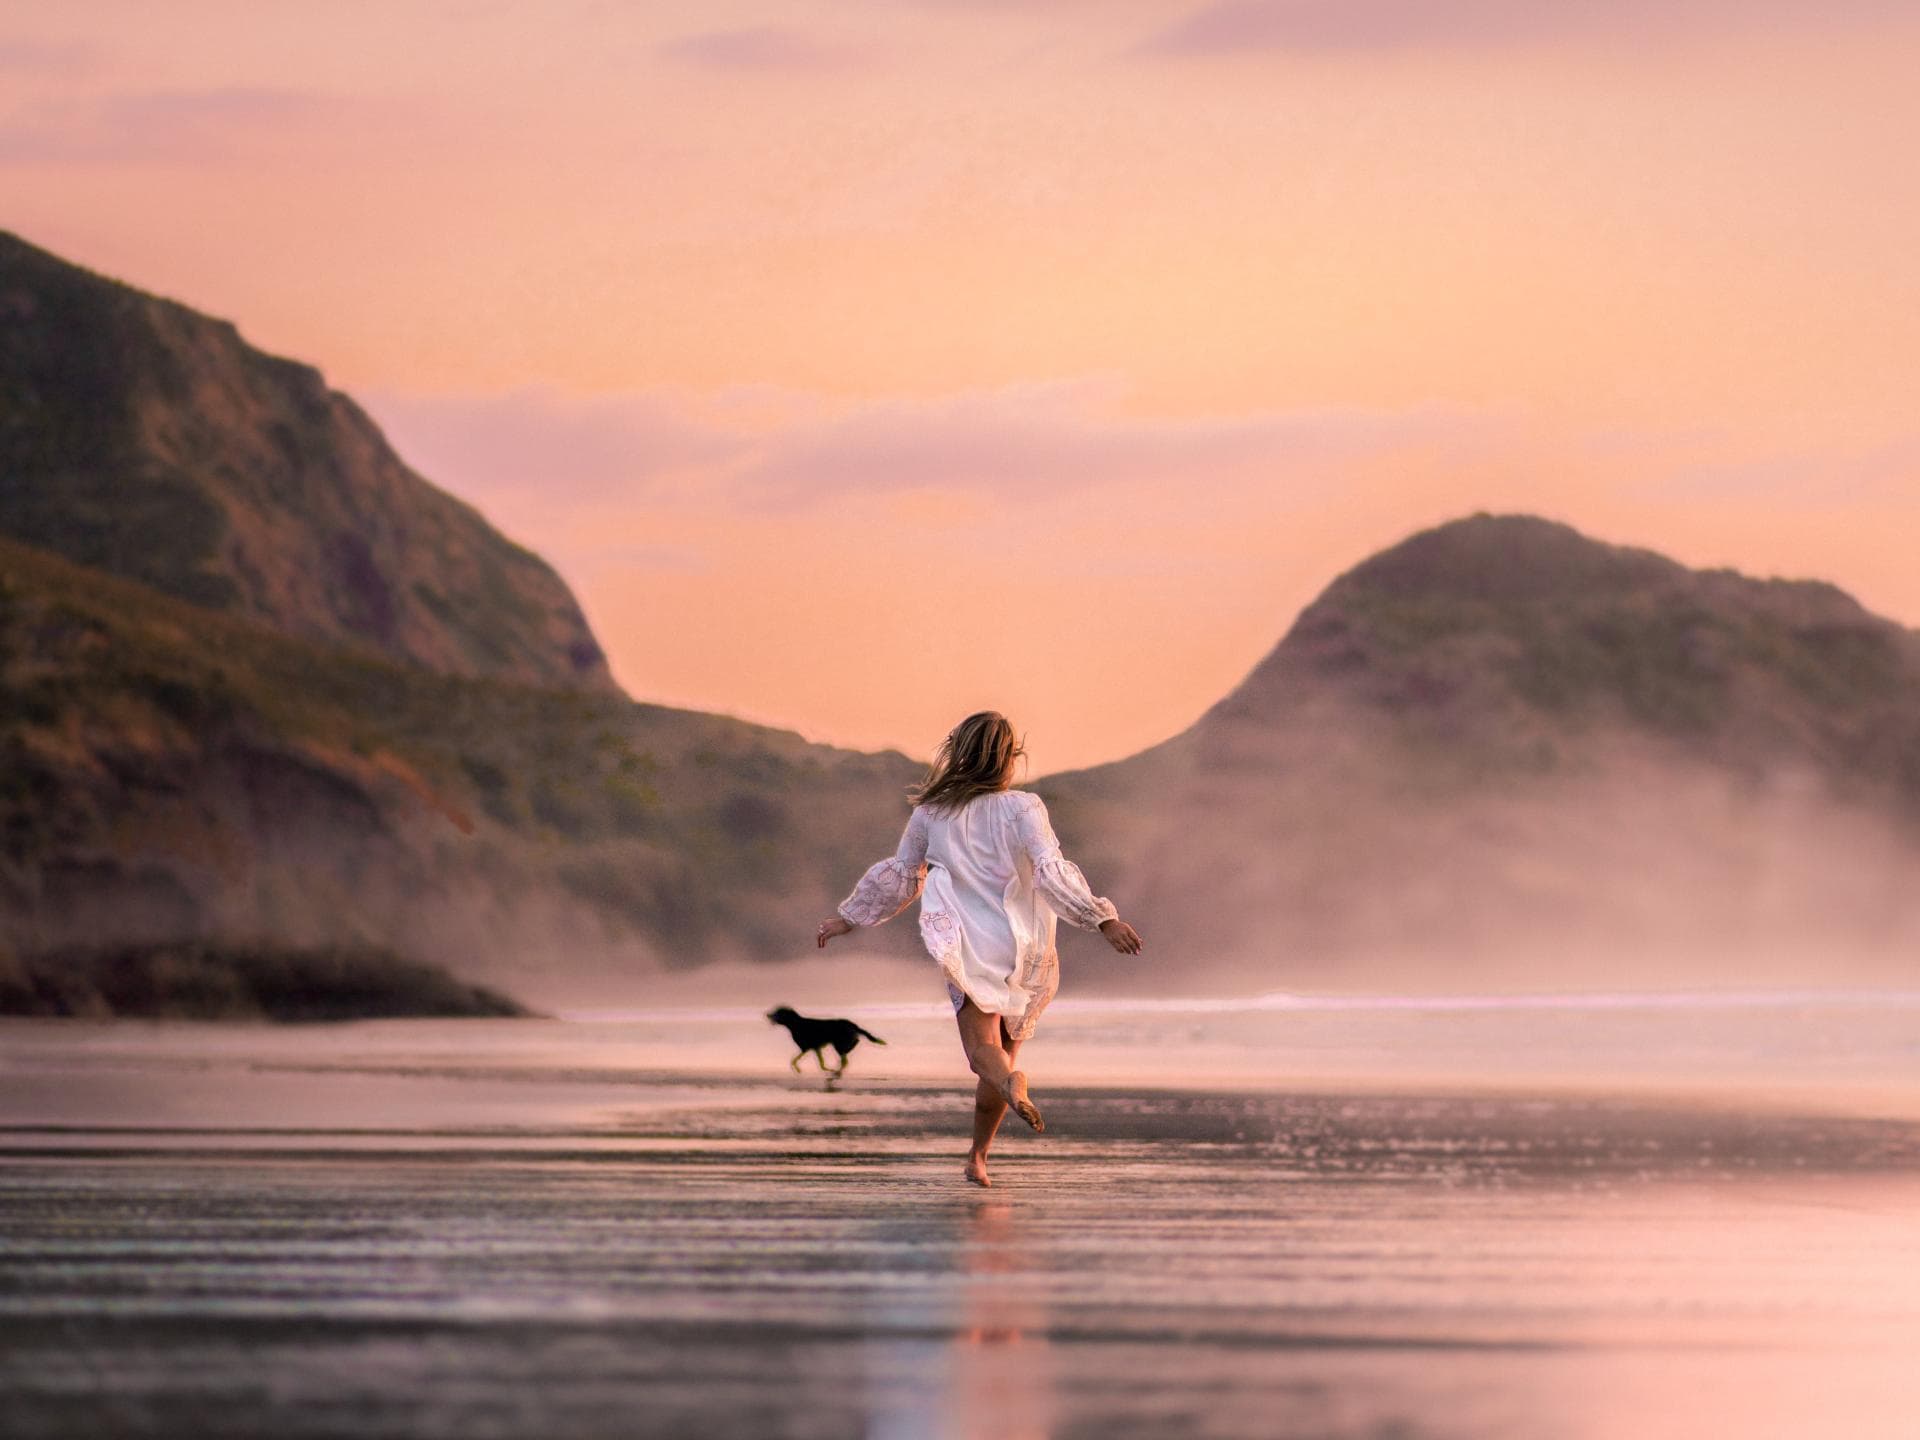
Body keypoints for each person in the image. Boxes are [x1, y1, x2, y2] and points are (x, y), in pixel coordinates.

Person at [816, 710, 1143, 1187]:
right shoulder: (1026, 807)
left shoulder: (931, 813)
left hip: (970, 943)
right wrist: (1102, 919)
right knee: (1004, 1053)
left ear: (958, 753)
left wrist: (849, 918)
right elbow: (1051, 869)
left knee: (982, 1054)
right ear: (1010, 757)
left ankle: (1010, 1091)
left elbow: (904, 877)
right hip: (1025, 941)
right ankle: (978, 1157)